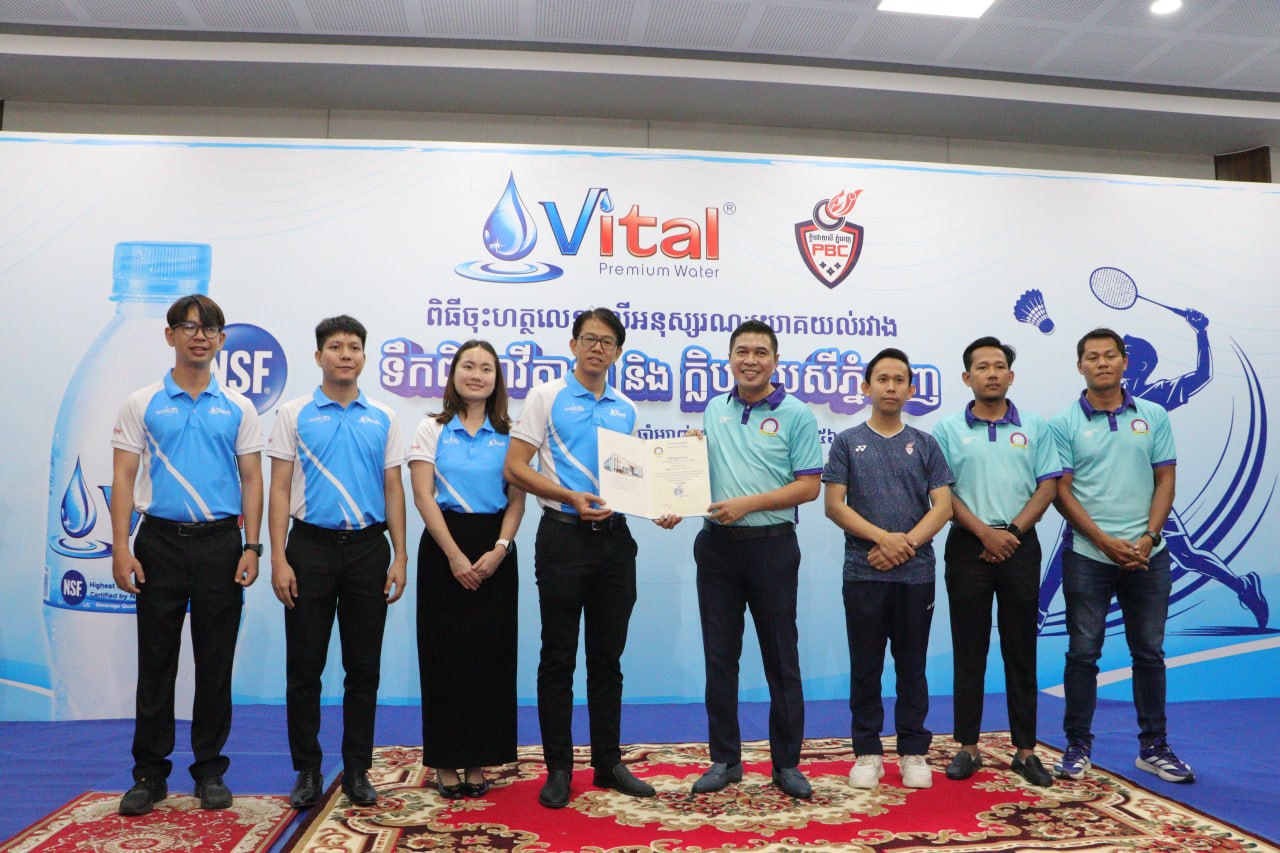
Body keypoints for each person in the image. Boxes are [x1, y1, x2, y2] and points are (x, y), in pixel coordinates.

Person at [110, 294, 263, 816]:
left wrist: (252, 546)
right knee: (156, 663)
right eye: (189, 326)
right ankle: (149, 774)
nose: (200, 336)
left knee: (215, 663)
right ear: (170, 334)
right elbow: (124, 476)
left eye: (210, 328)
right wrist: (121, 548)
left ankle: (210, 771)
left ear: (222, 339)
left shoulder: (239, 407)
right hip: (158, 544)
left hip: (220, 545)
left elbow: (252, 479)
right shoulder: (141, 402)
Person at [503, 307, 655, 808]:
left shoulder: (625, 408)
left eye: (607, 342)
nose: (597, 348)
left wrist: (660, 505)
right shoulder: (546, 396)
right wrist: (568, 497)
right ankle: (559, 769)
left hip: (615, 543)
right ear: (573, 345)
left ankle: (608, 764)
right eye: (589, 339)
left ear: (618, 352)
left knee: (607, 660)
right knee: (558, 657)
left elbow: (629, 479)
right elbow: (515, 467)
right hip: (562, 538)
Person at [671, 320, 822, 799]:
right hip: (717, 548)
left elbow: (809, 487)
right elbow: (698, 473)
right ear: (730, 358)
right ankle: (725, 759)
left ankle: (787, 764)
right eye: (742, 351)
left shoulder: (797, 414)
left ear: (775, 360)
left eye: (760, 352)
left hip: (772, 548)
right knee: (720, 658)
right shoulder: (715, 408)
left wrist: (748, 505)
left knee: (781, 658)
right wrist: (672, 497)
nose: (750, 360)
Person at [268, 315, 408, 809]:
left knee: (362, 668)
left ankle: (357, 769)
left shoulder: (385, 417)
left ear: (364, 357)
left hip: (369, 550)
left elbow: (394, 489)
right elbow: (278, 488)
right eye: (334, 346)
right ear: (318, 356)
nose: (344, 354)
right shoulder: (294, 413)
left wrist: (400, 555)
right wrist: (279, 557)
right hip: (310, 549)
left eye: (353, 347)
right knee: (304, 668)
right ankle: (307, 769)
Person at [1049, 328, 1193, 783]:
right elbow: (1061, 492)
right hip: (1088, 556)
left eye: (1110, 355)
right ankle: (1077, 747)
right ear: (1080, 366)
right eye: (1092, 357)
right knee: (1083, 654)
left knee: (1149, 653)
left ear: (1124, 361)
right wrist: (1103, 541)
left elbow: (1165, 480)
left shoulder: (1153, 415)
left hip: (1148, 555)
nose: (1102, 363)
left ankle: (1154, 747)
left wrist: (1149, 537)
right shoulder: (1063, 423)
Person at [823, 347, 952, 790]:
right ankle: (868, 752)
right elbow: (834, 505)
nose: (891, 387)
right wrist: (883, 539)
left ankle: (913, 751)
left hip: (915, 575)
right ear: (866, 387)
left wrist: (905, 544)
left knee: (912, 667)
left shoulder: (926, 443)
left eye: (899, 380)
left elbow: (943, 506)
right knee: (866, 667)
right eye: (882, 379)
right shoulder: (846, 441)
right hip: (864, 573)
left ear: (911, 389)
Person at [932, 336, 1059, 788]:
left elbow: (1048, 487)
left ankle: (1025, 750)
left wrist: (1012, 534)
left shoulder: (1036, 427)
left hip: (1020, 544)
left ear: (1011, 375)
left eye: (999, 366)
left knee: (1021, 648)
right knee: (969, 647)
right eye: (982, 367)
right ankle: (967, 746)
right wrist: (984, 533)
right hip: (968, 545)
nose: (992, 373)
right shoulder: (947, 430)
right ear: (967, 377)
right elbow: (943, 493)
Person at [408, 340, 525, 799]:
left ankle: (479, 759)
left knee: (490, 658)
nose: (477, 375)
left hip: (495, 550)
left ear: (497, 379)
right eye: (468, 366)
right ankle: (444, 759)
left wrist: (500, 548)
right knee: (444, 657)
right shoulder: (431, 428)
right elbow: (422, 495)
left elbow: (516, 501)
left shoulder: (511, 433)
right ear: (454, 374)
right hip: (444, 547)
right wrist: (454, 556)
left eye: (486, 369)